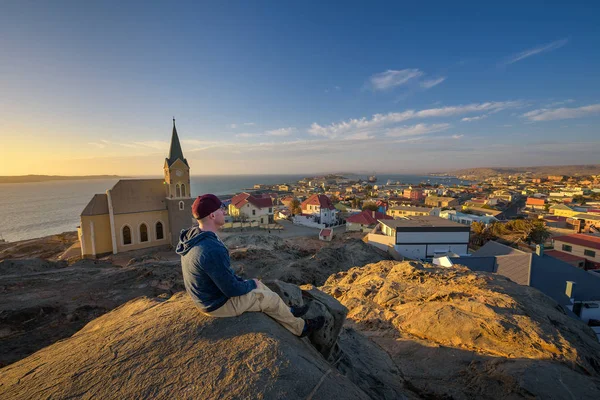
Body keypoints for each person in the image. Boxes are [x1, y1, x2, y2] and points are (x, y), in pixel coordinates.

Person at [177, 194, 324, 337]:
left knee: (258, 284)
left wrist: (251, 284)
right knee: (268, 298)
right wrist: (249, 285)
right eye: (221, 209)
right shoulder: (211, 249)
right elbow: (231, 290)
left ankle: (288, 311)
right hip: (216, 304)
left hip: (208, 296)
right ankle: (301, 328)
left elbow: (223, 276)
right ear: (212, 216)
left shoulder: (195, 235)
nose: (224, 211)